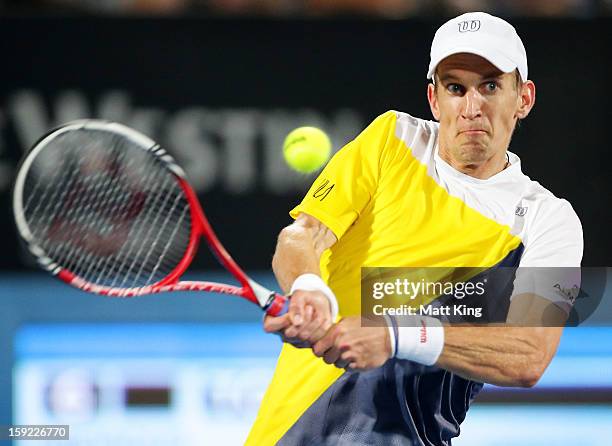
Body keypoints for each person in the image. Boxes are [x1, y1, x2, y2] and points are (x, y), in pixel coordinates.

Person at [247, 11, 583, 445]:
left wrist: (394, 335)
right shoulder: (392, 139)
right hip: (286, 433)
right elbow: (301, 235)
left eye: (491, 86)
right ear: (434, 99)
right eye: (456, 88)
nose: (472, 107)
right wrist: (309, 286)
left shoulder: (549, 220)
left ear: (524, 98)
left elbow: (528, 356)